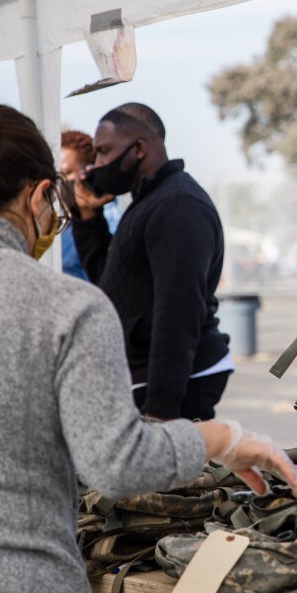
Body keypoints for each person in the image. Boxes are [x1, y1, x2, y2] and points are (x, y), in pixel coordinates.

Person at [0, 95, 297, 593]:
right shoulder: (67, 306)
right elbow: (117, 464)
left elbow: (173, 319)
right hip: (25, 588)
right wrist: (222, 438)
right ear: (40, 196)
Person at [71, 103, 233, 421]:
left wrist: (161, 408)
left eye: (103, 152)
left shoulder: (177, 204)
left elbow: (178, 312)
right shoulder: (148, 201)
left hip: (178, 384)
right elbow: (112, 283)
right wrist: (88, 218)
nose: (95, 165)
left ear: (139, 149)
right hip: (145, 376)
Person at [58, 130, 120, 280]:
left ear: (86, 175)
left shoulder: (110, 222)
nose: (58, 180)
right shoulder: (57, 219)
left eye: (66, 172)